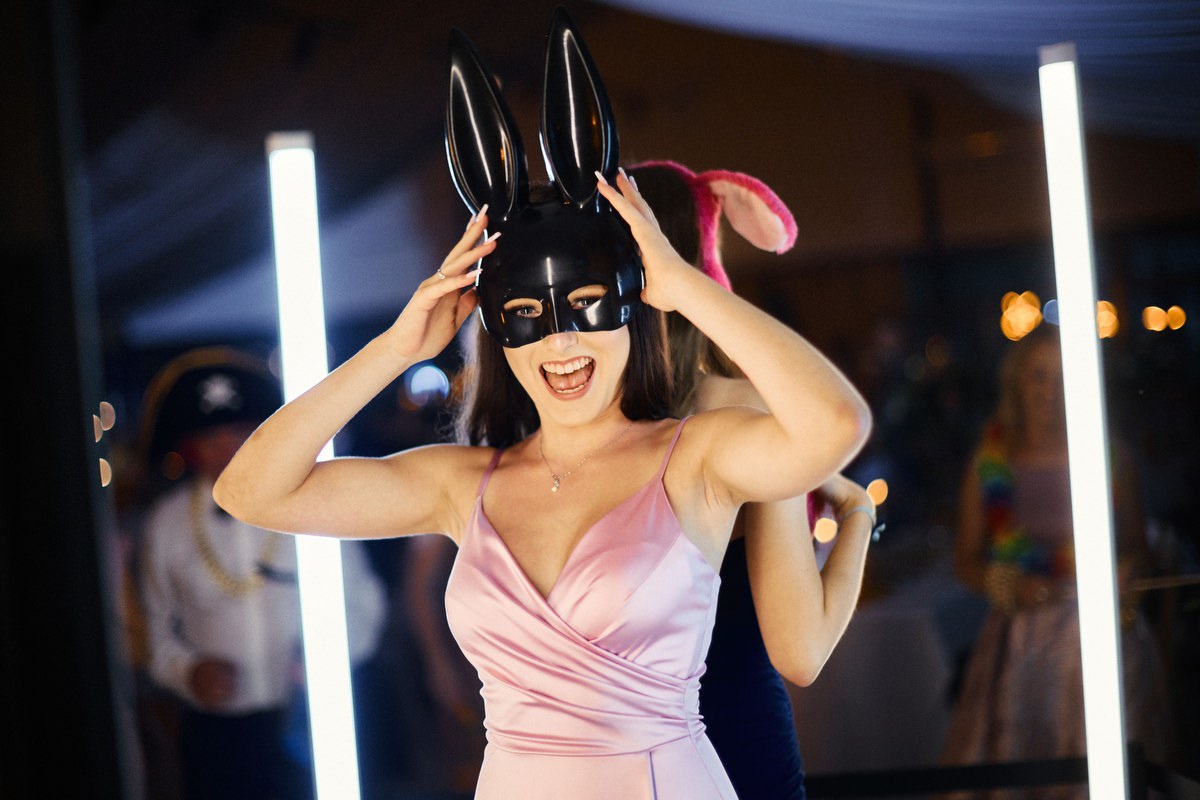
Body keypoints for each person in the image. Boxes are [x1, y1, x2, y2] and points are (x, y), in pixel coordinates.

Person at [214, 9, 870, 799]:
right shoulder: (461, 482)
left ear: (632, 310)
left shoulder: (698, 456)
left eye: (588, 308)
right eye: (528, 317)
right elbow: (249, 491)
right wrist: (397, 347)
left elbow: (838, 424)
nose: (561, 344)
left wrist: (681, 285)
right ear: (499, 335)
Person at [630, 160, 878, 800]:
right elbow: (801, 651)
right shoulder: (744, 410)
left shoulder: (573, 421)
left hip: (610, 760)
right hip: (734, 740)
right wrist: (858, 516)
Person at [137, 347, 385, 800]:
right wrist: (187, 672)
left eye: (240, 435)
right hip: (216, 732)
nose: (227, 451)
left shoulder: (313, 500)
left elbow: (364, 600)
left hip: (313, 715)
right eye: (212, 440)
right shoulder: (166, 524)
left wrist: (329, 656)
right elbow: (152, 632)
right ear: (191, 448)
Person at [940, 324, 1163, 798]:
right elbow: (964, 561)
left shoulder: (1111, 456)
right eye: (1039, 375)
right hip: (1020, 649)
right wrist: (1006, 584)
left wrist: (1128, 574)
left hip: (1104, 639)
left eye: (1063, 377)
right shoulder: (989, 462)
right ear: (1018, 382)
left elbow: (1139, 550)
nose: (1050, 390)